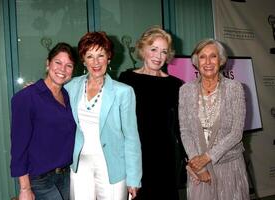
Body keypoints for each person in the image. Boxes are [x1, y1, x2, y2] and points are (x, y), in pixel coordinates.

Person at [64, 31, 142, 200]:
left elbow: (131, 137)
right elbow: (51, 96)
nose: (96, 62)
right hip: (80, 165)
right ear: (83, 60)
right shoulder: (71, 86)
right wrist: (34, 89)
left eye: (101, 55)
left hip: (112, 166)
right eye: (90, 56)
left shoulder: (123, 92)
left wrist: (134, 178)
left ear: (109, 57)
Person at [178, 38, 249, 200]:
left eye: (213, 56)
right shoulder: (185, 90)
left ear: (221, 60)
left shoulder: (235, 88)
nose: (208, 62)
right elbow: (185, 131)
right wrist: (199, 166)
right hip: (199, 170)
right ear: (196, 61)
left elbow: (236, 133)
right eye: (202, 57)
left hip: (229, 165)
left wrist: (207, 157)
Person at [119, 26, 183, 200]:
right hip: (135, 155)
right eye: (153, 49)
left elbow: (180, 126)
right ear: (142, 49)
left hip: (165, 156)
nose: (158, 56)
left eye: (164, 52)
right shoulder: (127, 79)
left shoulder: (175, 85)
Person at [10, 42, 76, 200]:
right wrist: (25, 189)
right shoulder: (27, 97)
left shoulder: (68, 96)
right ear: (48, 63)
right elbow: (19, 147)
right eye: (58, 63)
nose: (62, 69)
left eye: (69, 65)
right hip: (40, 180)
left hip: (66, 176)